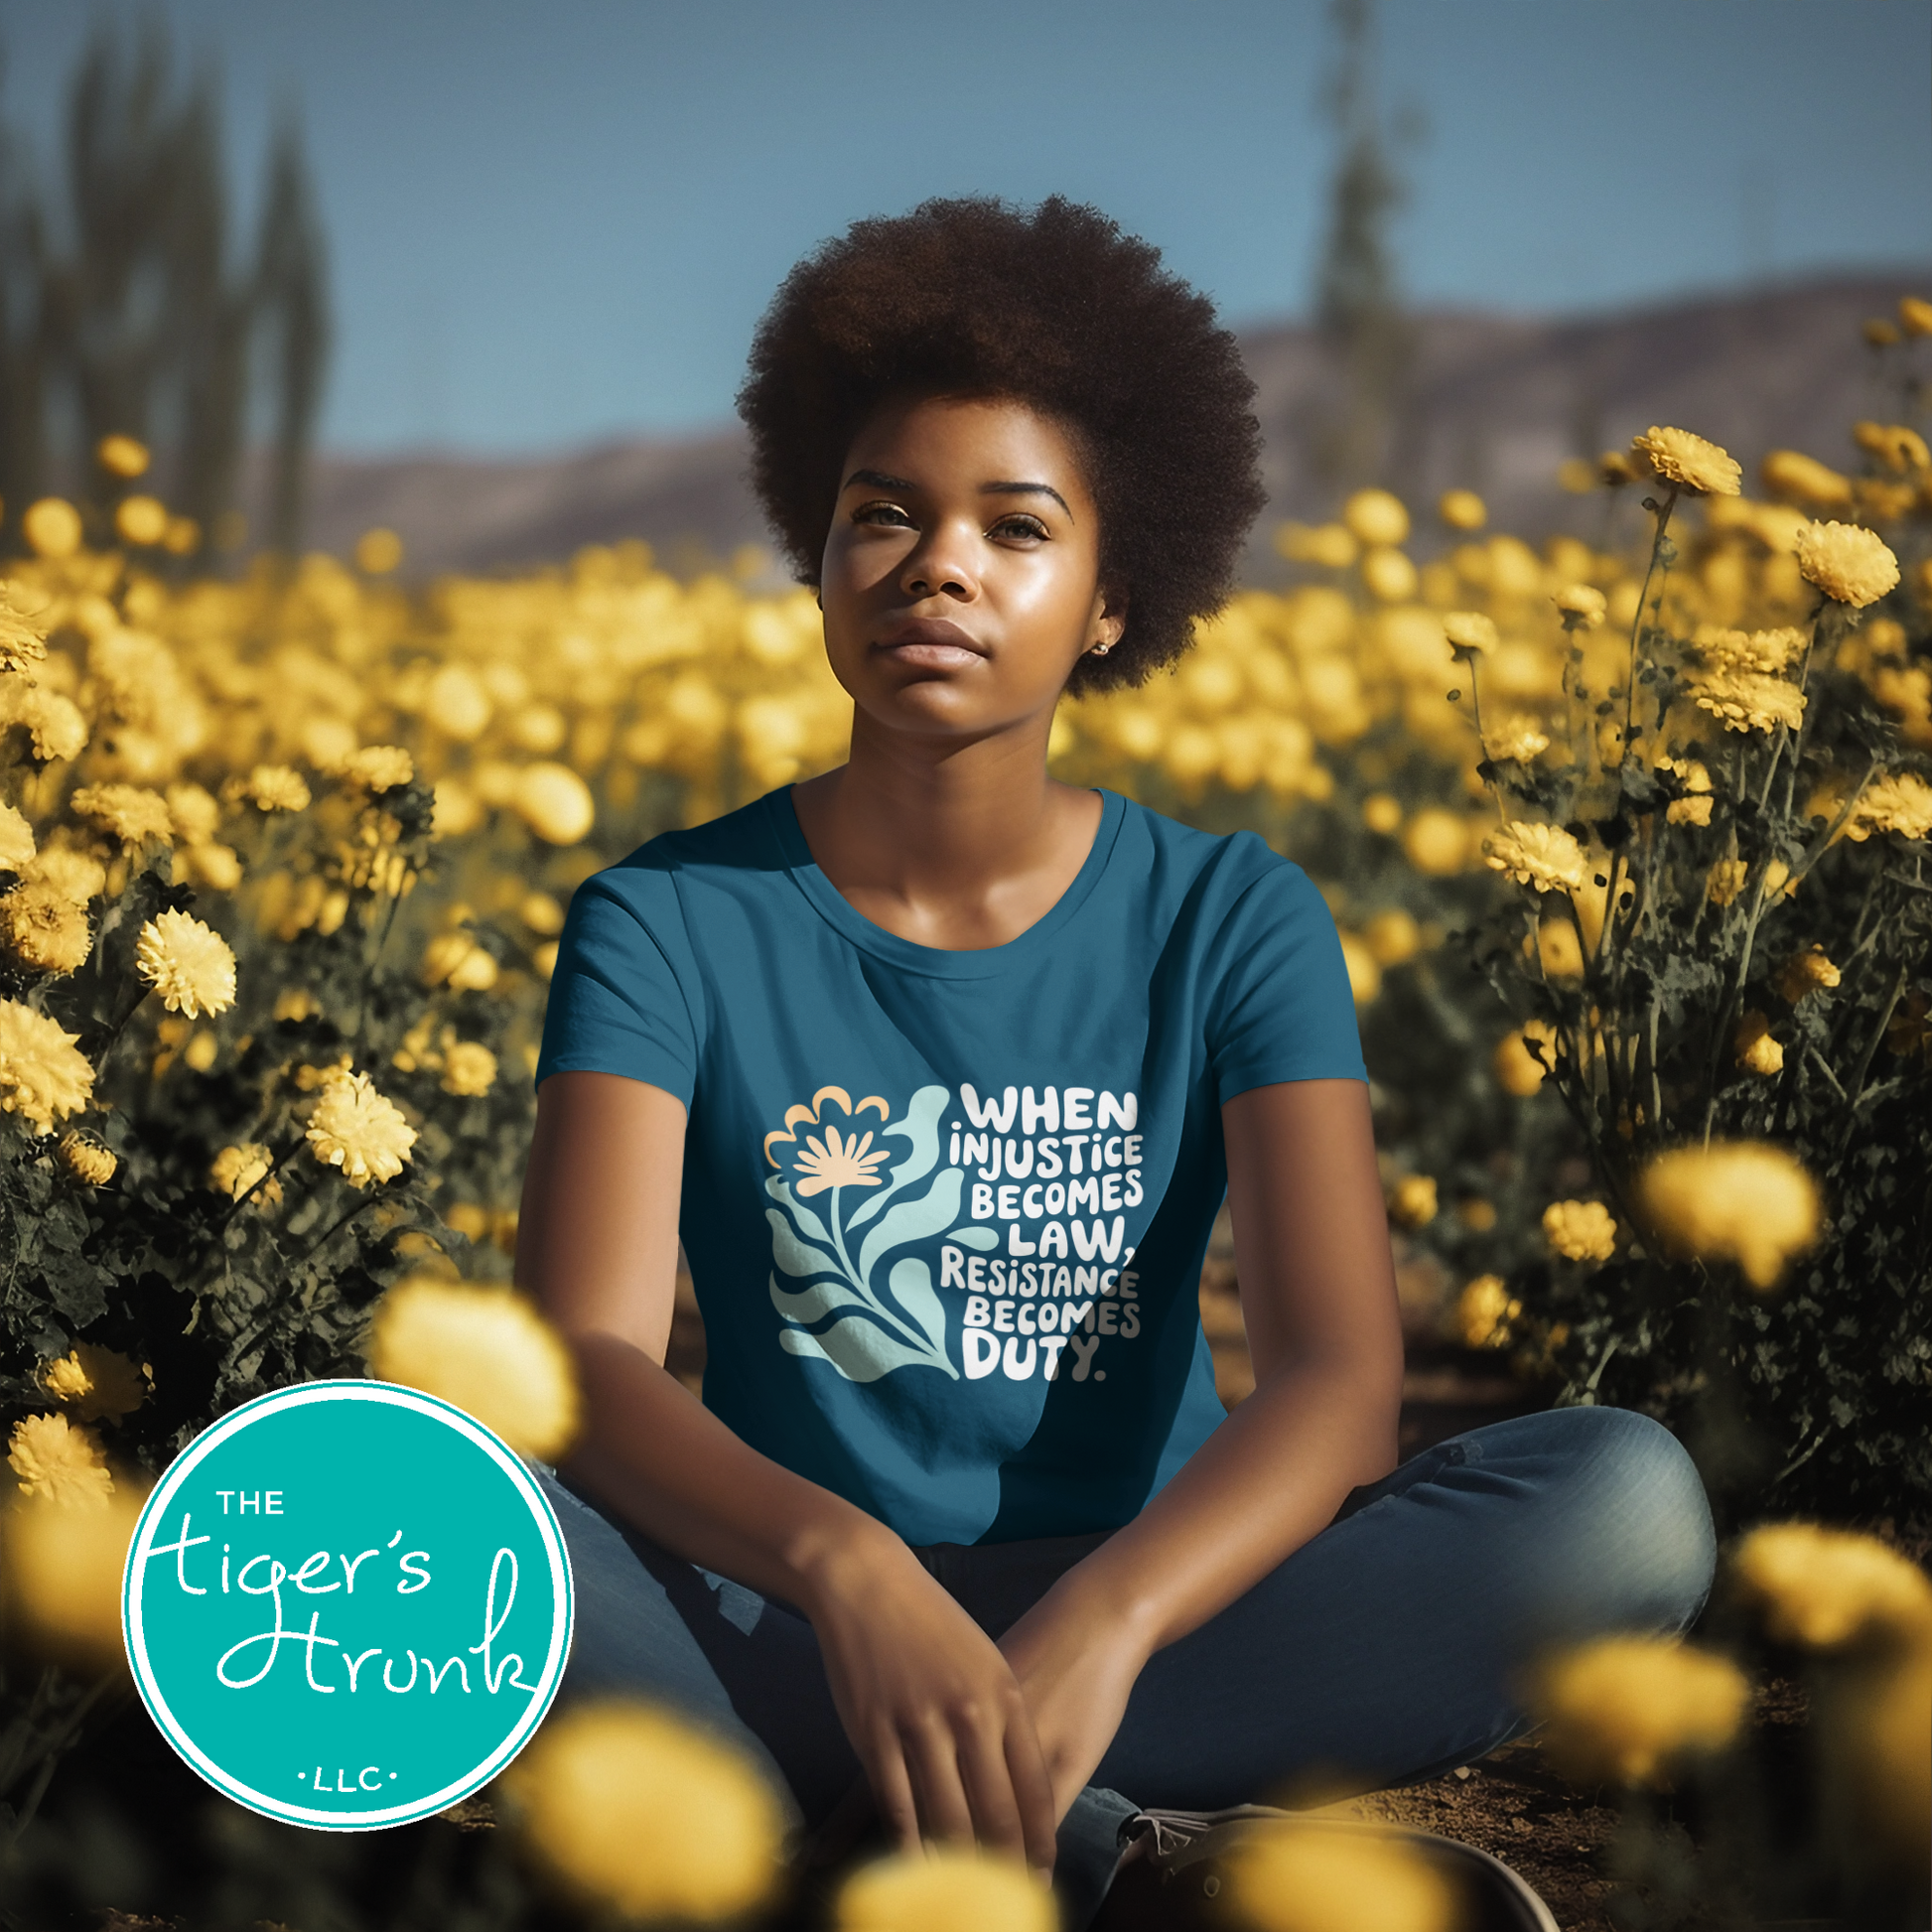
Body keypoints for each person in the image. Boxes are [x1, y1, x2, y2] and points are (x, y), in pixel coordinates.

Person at [515, 196, 1717, 1928]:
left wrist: (1099, 1622)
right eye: (882, 517)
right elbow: (586, 1361)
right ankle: (1130, 1866)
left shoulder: (1234, 911)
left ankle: (855, 1826)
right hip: (788, 1608)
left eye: (1015, 529)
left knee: (1622, 1505)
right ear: (817, 556)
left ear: (1107, 601)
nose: (937, 565)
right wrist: (852, 1570)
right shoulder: (666, 916)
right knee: (393, 1509)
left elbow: (1333, 1385)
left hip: (1167, 1619)